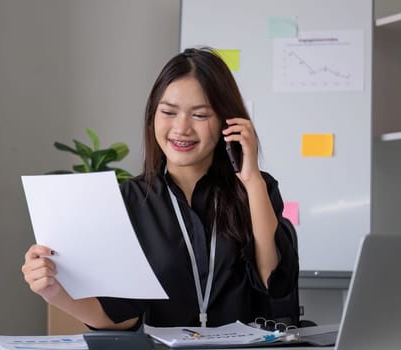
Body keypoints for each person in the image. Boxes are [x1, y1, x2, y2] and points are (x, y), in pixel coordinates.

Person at [22, 47, 299, 330]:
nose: (181, 128)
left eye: (200, 116)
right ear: (152, 116)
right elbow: (121, 315)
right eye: (168, 112)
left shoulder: (255, 189)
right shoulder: (130, 200)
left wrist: (251, 180)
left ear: (227, 123)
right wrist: (54, 292)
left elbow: (273, 281)